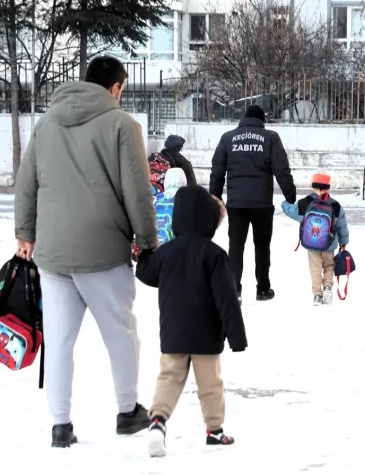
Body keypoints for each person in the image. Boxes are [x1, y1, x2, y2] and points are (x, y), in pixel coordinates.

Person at [14, 56, 158, 448]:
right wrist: (147, 242)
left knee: (59, 339)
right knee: (121, 334)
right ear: (115, 88)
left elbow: (27, 182)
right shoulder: (122, 125)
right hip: (103, 250)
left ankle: (61, 425)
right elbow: (137, 190)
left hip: (53, 252)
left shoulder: (46, 123)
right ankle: (128, 412)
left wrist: (25, 232)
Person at [136, 185, 247, 457]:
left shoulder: (167, 253)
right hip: (207, 336)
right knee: (210, 384)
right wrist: (236, 336)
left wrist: (145, 254)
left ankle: (158, 422)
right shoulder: (215, 255)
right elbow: (227, 299)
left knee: (169, 378)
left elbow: (147, 274)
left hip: (173, 332)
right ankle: (215, 431)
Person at [209, 105, 296, 304]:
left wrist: (215, 197)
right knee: (262, 247)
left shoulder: (228, 138)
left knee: (236, 246)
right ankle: (263, 289)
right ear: (262, 120)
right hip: (262, 204)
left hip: (236, 204)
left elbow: (217, 170)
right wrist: (290, 195)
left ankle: (234, 290)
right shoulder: (270, 138)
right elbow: (282, 169)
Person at [281, 173, 351, 305]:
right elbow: (342, 226)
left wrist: (284, 203)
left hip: (311, 243)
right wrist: (344, 242)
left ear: (314, 186)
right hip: (329, 244)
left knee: (315, 268)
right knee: (329, 265)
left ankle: (317, 295)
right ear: (328, 187)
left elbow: (290, 210)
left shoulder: (305, 203)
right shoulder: (335, 205)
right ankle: (328, 288)